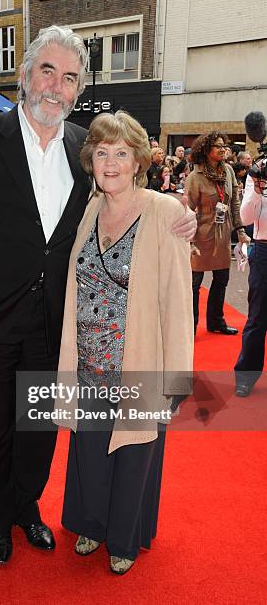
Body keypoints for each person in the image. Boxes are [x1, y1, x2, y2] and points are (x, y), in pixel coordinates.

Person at [0, 25, 197, 567]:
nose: (56, 86)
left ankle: (28, 508)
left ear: (77, 89)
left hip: (54, 326)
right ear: (25, 77)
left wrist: (178, 215)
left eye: (69, 77)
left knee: (40, 427)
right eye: (47, 71)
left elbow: (123, 201)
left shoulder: (82, 149)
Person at [55, 110, 193, 575]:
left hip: (139, 361)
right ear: (90, 159)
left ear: (138, 161)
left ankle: (125, 538)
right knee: (91, 449)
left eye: (120, 153)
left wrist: (177, 378)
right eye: (101, 153)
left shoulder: (166, 212)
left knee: (134, 451)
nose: (110, 163)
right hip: (90, 359)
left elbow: (178, 301)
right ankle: (91, 523)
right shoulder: (91, 209)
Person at [185, 132, 250, 335]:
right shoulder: (195, 177)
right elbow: (187, 211)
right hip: (199, 234)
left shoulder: (228, 171)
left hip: (222, 234)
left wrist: (240, 231)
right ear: (206, 150)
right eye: (218, 146)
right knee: (194, 284)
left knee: (221, 279)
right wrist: (188, 241)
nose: (223, 149)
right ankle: (191, 326)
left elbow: (234, 203)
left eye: (224, 146)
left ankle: (216, 322)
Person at [234, 171, 267, 397]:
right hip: (264, 249)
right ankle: (245, 377)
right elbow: (245, 218)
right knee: (257, 317)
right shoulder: (259, 171)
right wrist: (256, 188)